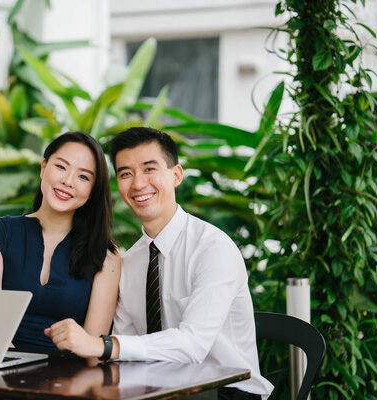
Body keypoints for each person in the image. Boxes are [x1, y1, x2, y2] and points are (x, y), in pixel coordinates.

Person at [45, 127, 274, 399]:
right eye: (126, 174)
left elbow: (192, 345)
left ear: (176, 175)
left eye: (149, 169)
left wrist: (102, 345)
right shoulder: (131, 261)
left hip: (224, 390)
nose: (138, 184)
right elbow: (125, 349)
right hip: (155, 390)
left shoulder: (212, 248)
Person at [0, 131, 120, 352]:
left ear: (92, 190)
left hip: (70, 379)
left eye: (83, 177)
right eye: (61, 167)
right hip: (2, 368)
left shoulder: (106, 255)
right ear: (43, 168)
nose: (68, 181)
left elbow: (91, 351)